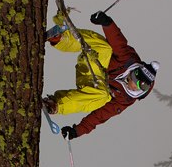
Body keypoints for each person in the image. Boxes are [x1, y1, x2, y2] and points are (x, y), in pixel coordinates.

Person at [43, 11, 159, 139]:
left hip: (94, 85)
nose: (135, 88)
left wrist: (77, 131)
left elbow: (101, 115)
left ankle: (56, 104)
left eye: (141, 88)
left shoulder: (125, 99)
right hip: (92, 63)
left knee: (103, 96)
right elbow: (118, 42)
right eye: (137, 82)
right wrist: (107, 23)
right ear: (134, 73)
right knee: (105, 47)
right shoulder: (128, 59)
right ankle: (60, 38)